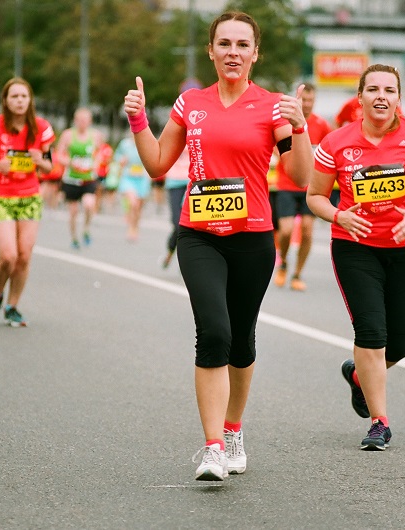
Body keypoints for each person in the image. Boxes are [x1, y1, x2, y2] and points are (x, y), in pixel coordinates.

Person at [124, 11, 312, 481]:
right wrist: (138, 120)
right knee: (214, 331)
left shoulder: (273, 108)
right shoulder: (191, 103)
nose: (233, 52)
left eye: (242, 45)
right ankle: (211, 448)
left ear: (255, 54)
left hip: (252, 237)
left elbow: (301, 177)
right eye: (224, 43)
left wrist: (301, 126)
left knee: (241, 339)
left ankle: (232, 430)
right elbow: (158, 164)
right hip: (200, 235)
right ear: (210, 51)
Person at [307, 64, 405, 451]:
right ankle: (379, 422)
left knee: (398, 345)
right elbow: (315, 196)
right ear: (360, 97)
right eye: (373, 89)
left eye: (389, 90)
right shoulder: (336, 142)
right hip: (355, 247)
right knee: (371, 333)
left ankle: (358, 376)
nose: (381, 96)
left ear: (399, 98)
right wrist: (338, 215)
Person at [0, 77, 55, 327]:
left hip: (29, 196)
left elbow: (49, 166)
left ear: (30, 100)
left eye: (24, 96)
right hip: (1, 196)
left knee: (24, 256)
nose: (19, 101)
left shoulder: (41, 128)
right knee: (8, 256)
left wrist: (40, 161)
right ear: (6, 101)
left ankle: (12, 306)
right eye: (14, 96)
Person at [272, 82, 332, 291]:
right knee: (286, 231)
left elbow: (329, 151)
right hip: (286, 184)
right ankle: (283, 262)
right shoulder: (284, 122)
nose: (307, 104)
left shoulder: (321, 125)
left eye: (310, 100)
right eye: (303, 100)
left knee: (307, 231)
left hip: (310, 187)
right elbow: (274, 144)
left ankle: (297, 273)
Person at [56, 108, 104, 249]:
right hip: (72, 179)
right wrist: (70, 162)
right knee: (73, 212)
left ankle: (86, 229)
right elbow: (59, 154)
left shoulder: (95, 135)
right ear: (75, 121)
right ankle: (74, 238)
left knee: (89, 204)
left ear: (90, 121)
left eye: (85, 120)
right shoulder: (68, 135)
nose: (83, 123)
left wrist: (96, 163)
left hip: (88, 178)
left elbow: (101, 152)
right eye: (80, 120)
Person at [114, 136, 151, 241]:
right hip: (128, 177)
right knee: (133, 203)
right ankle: (130, 228)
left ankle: (135, 227)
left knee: (138, 206)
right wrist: (121, 160)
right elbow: (117, 155)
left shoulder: (146, 142)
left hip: (142, 178)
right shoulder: (125, 144)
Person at [161, 146, 190, 268]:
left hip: (192, 181)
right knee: (177, 223)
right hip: (174, 181)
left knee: (190, 223)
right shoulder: (174, 134)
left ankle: (186, 259)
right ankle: (170, 251)